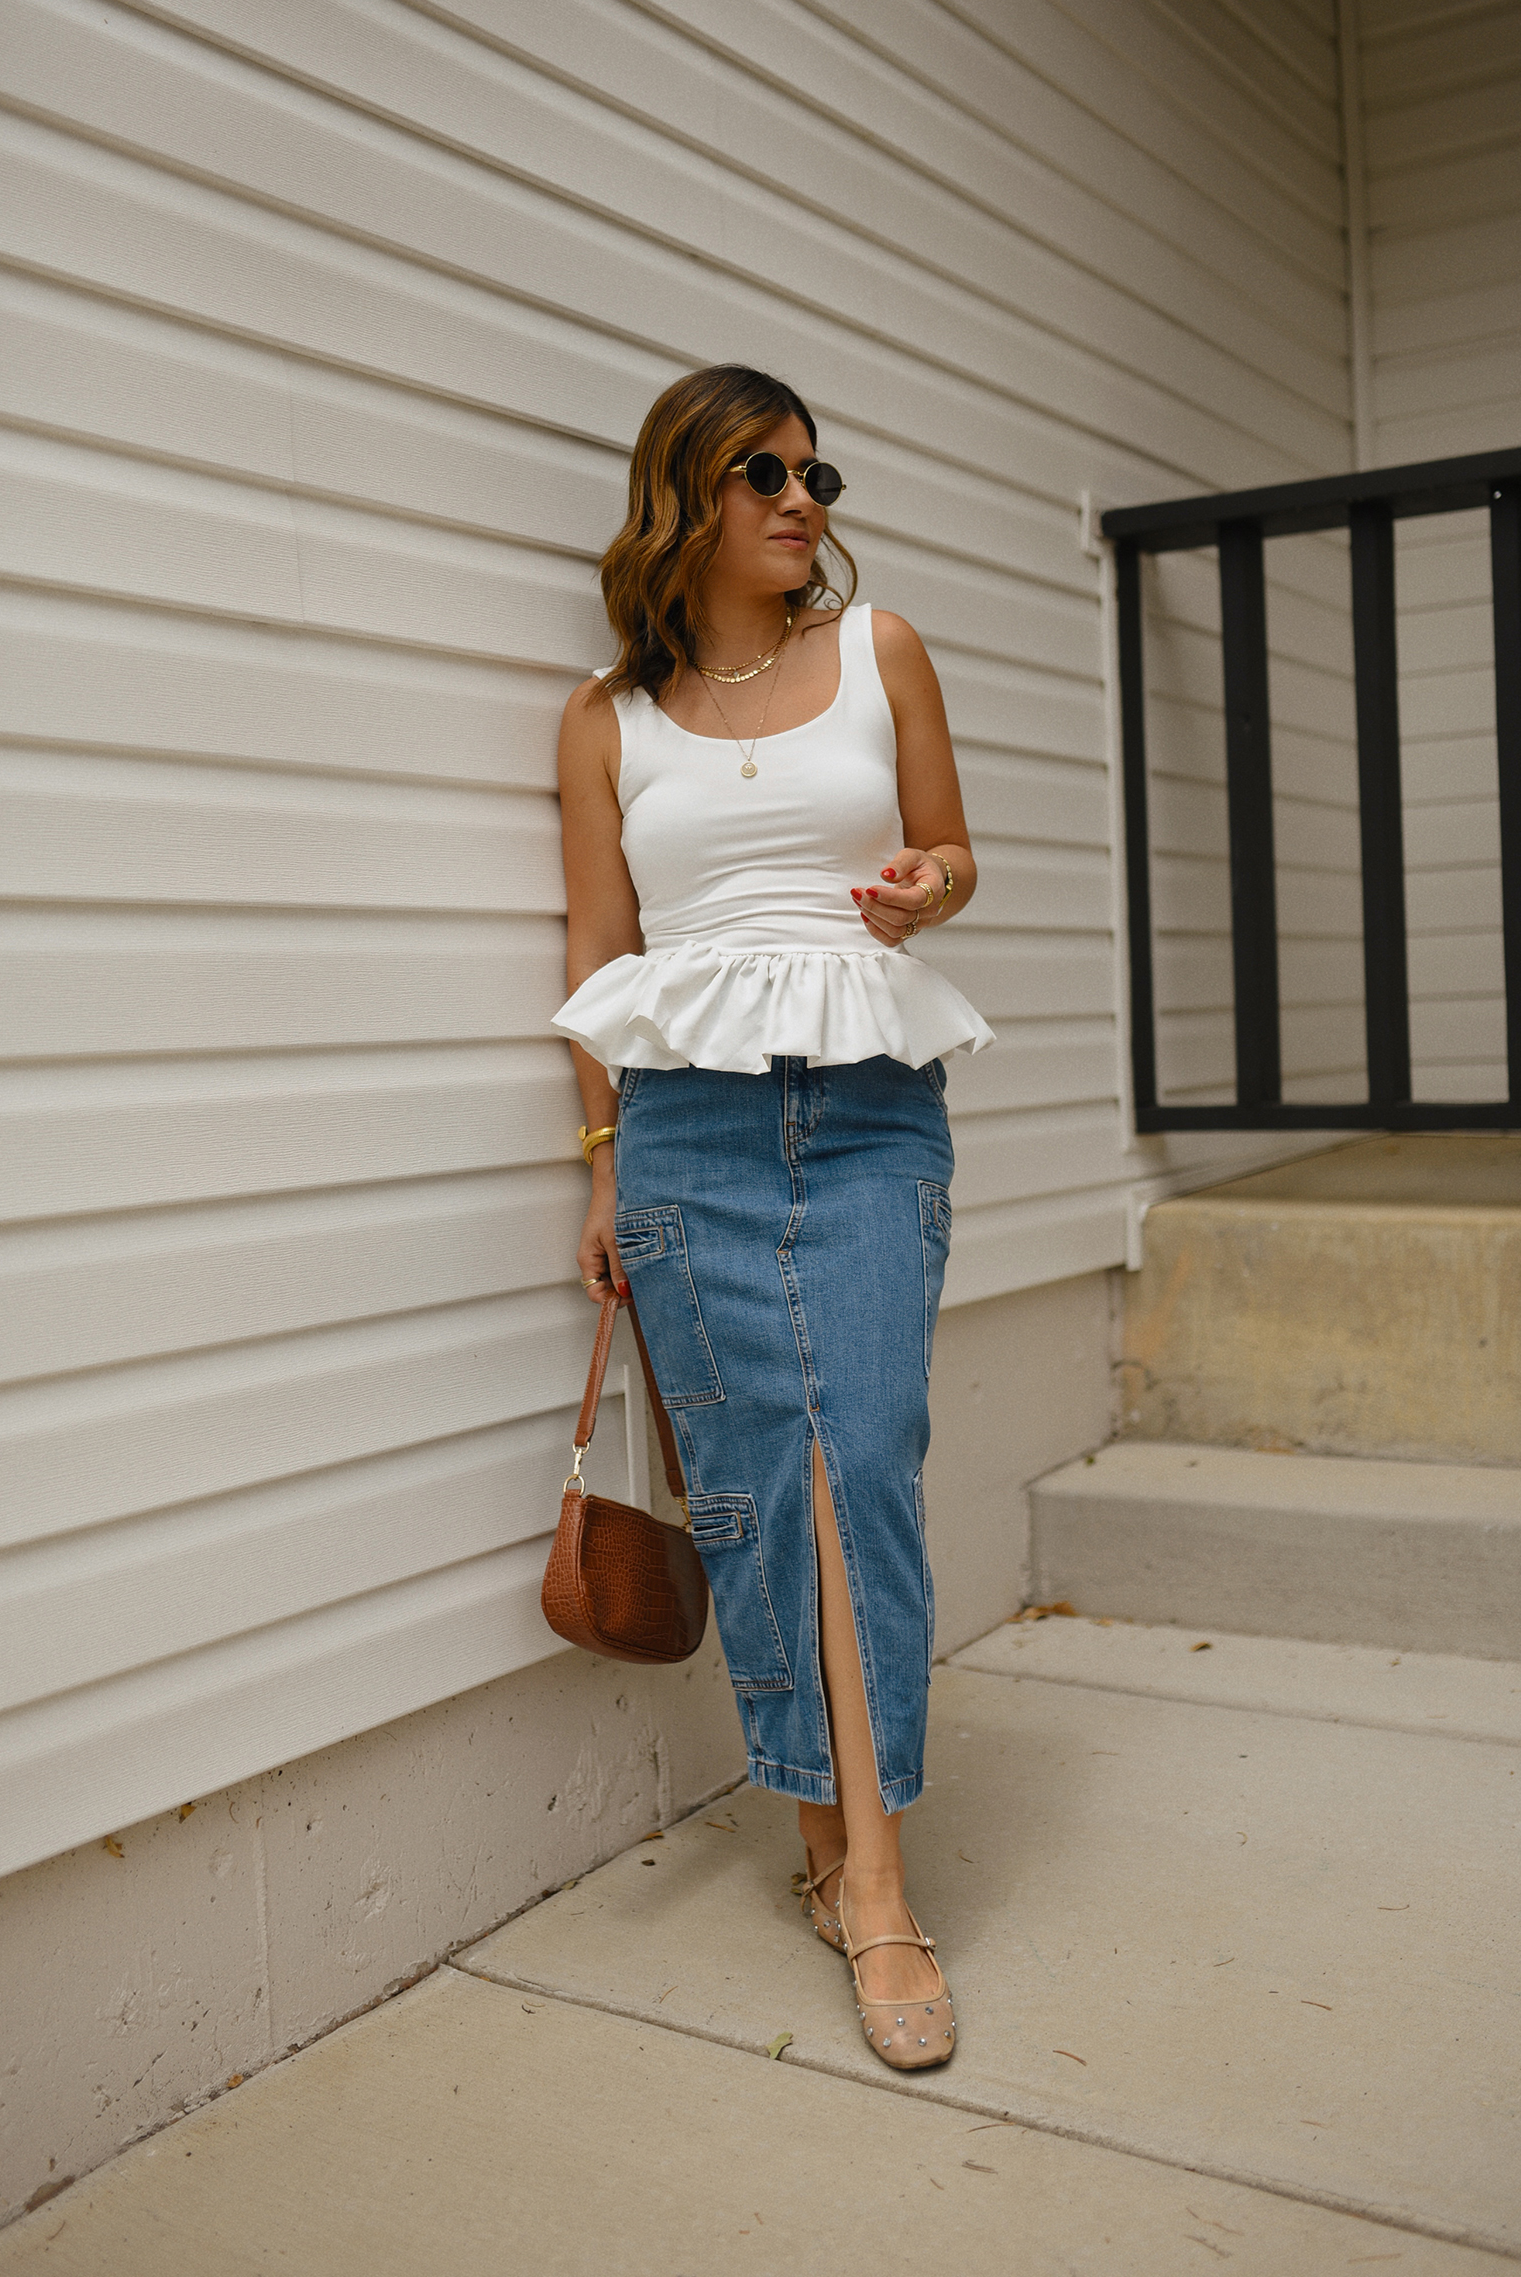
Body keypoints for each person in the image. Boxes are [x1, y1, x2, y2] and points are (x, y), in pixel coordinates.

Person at [554, 364, 992, 2069]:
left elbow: (952, 849)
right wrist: (599, 1161)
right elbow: (597, 959)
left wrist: (922, 888)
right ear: (685, 494)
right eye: (759, 469)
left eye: (815, 468)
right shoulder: (607, 719)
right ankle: (831, 1847)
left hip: (872, 1101)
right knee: (754, 1488)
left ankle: (877, 1888)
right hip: (688, 1136)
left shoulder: (881, 653)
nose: (800, 496)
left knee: (862, 1452)